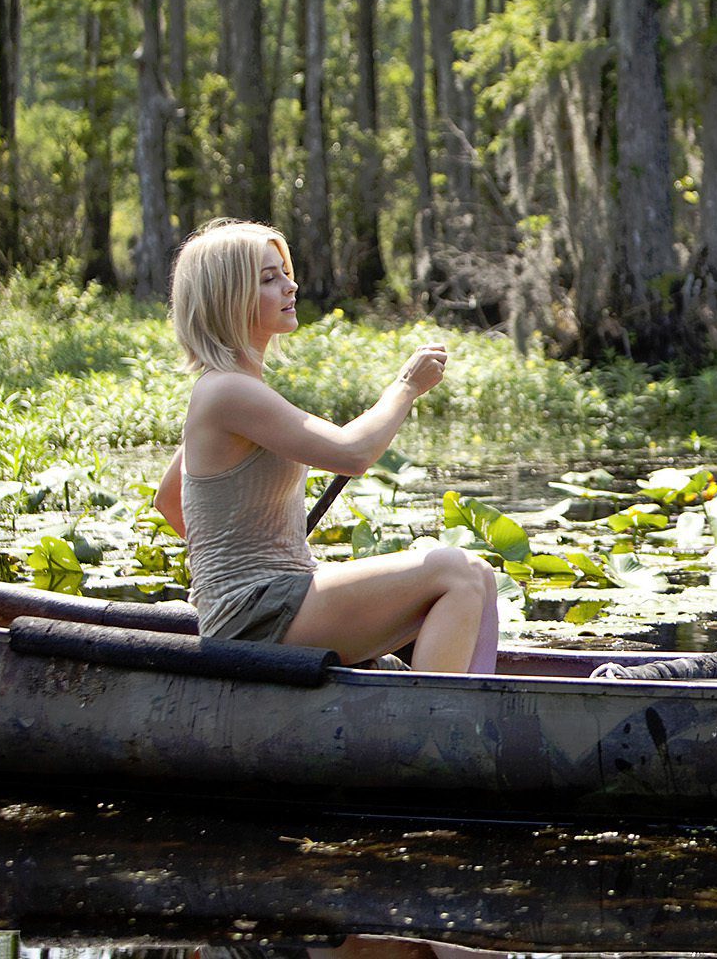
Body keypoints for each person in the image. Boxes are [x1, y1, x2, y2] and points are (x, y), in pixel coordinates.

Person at [154, 219, 499, 673]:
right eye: (269, 278)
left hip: (272, 599)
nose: (291, 285)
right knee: (460, 572)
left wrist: (249, 561)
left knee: (480, 579)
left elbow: (168, 498)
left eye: (284, 272)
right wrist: (406, 386)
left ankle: (466, 712)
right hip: (253, 616)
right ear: (227, 297)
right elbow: (352, 453)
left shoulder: (227, 389)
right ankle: (432, 729)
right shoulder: (227, 392)